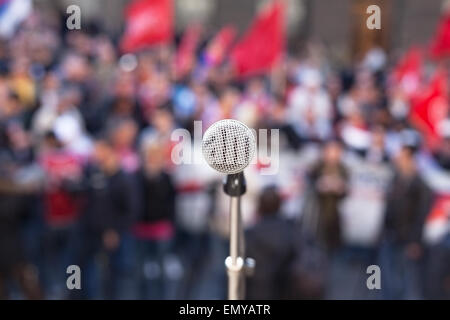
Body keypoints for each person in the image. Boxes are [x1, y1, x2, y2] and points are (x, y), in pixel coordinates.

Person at [76, 139, 140, 299]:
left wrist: (114, 231)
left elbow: (131, 210)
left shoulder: (124, 179)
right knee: (93, 278)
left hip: (116, 237)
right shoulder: (94, 174)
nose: (96, 155)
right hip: (93, 235)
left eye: (99, 151)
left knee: (117, 277)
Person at [379, 143, 433, 299]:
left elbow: (421, 216)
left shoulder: (421, 186)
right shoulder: (395, 180)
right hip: (390, 235)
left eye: (403, 158)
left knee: (407, 280)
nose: (399, 161)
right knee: (383, 276)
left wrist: (415, 241)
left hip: (408, 240)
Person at [133, 142, 178, 299]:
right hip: (142, 228)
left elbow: (170, 202)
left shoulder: (165, 177)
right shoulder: (138, 176)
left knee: (161, 269)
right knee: (141, 269)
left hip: (161, 228)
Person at [245, 186, 297, 299]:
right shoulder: (290, 229)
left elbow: (246, 261)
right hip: (282, 287)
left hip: (256, 289)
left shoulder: (251, 232)